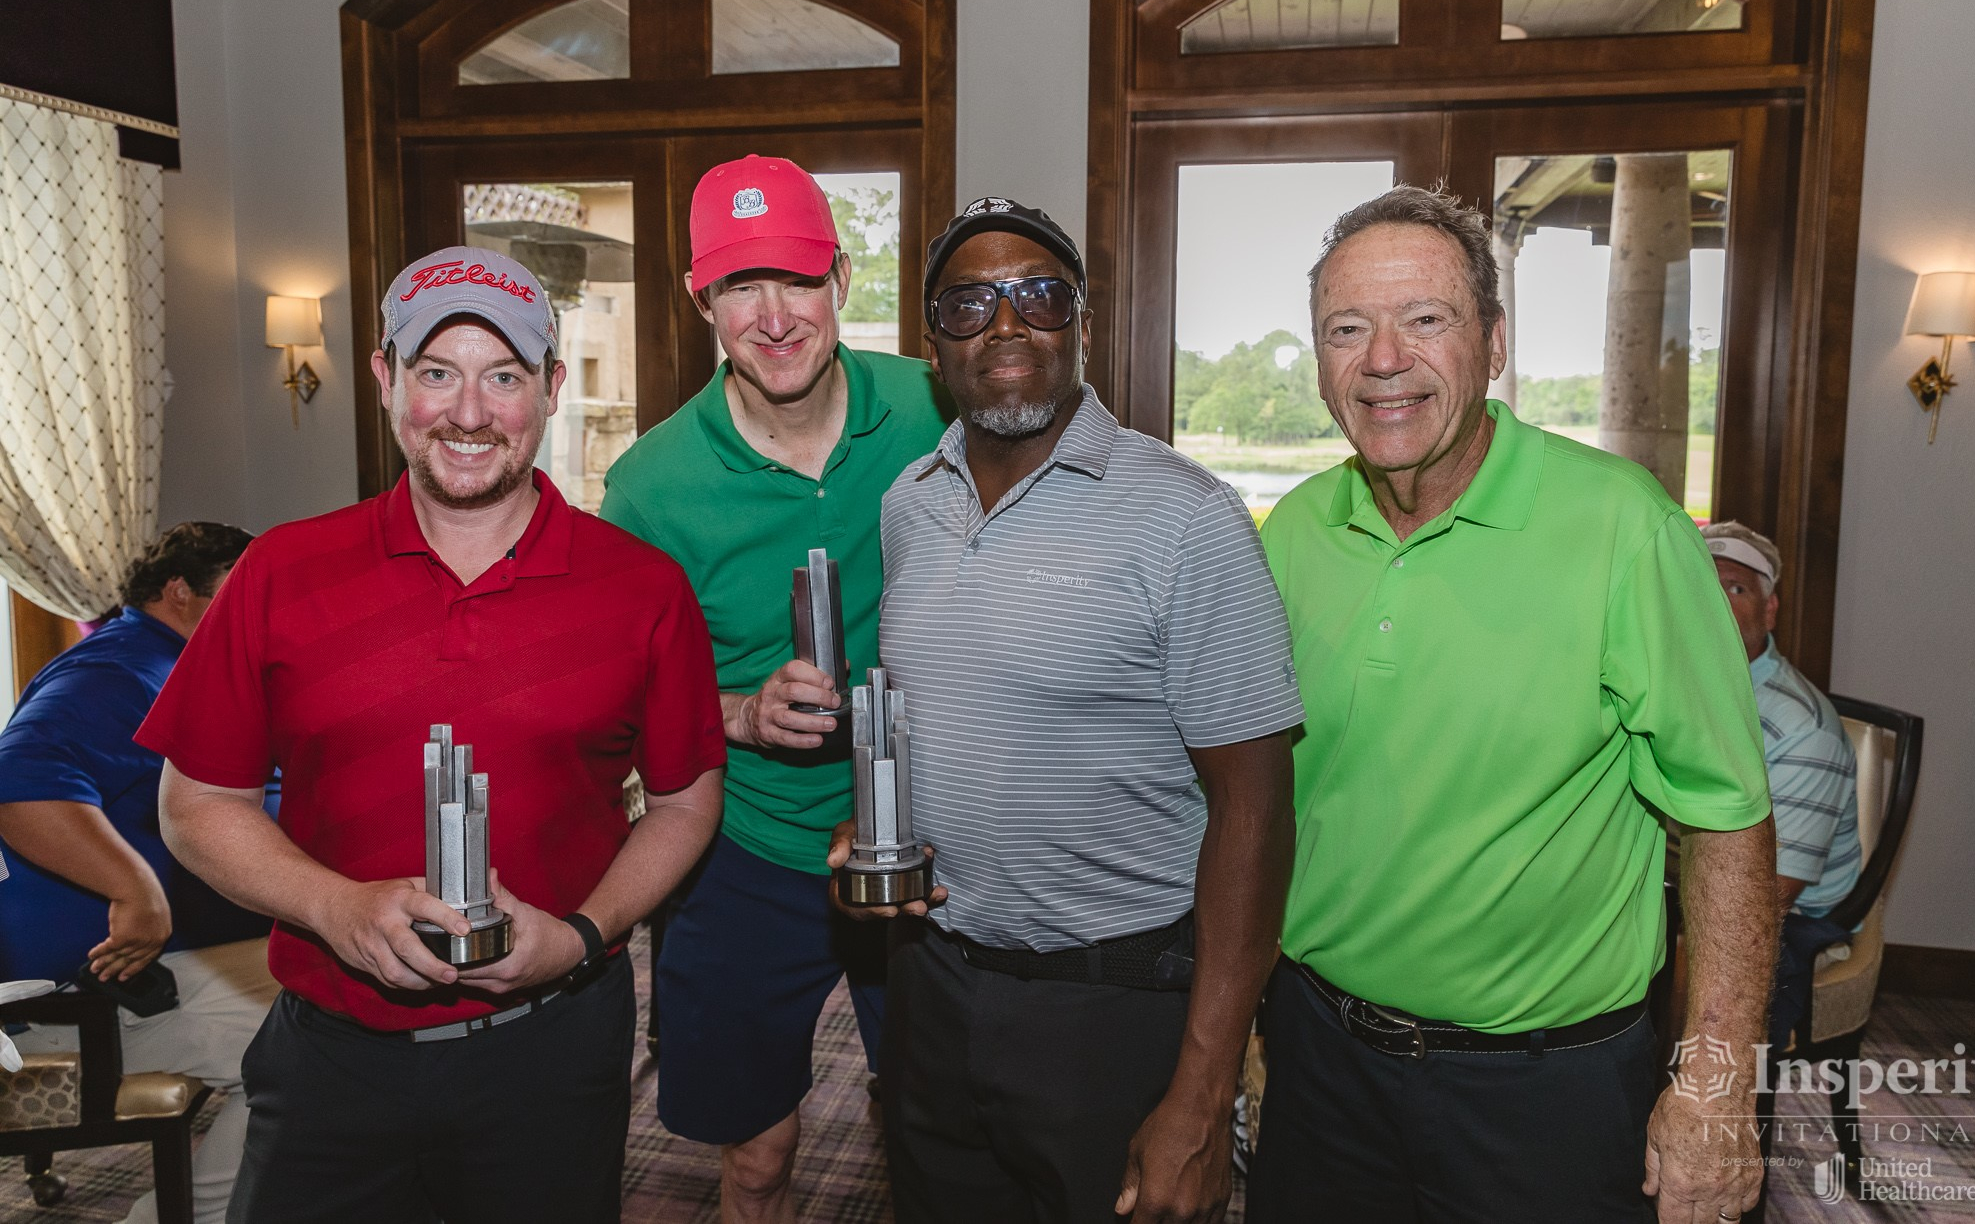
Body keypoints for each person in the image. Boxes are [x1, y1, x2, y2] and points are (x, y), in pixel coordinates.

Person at [136, 246, 727, 1224]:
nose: (467, 412)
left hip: (553, 1049)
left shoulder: (641, 587)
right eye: (436, 373)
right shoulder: (282, 572)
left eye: (502, 376)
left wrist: (579, 937)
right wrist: (334, 907)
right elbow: (196, 803)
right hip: (333, 1055)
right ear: (384, 379)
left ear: (549, 388)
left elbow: (683, 799)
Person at [1249, 185, 1779, 1224]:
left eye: (1425, 321)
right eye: (1345, 330)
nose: (1382, 359)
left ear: (1492, 345)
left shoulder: (1623, 528)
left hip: (1543, 1094)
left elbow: (1723, 817)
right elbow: (1259, 799)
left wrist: (1715, 1085)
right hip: (1319, 1065)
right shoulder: (1293, 532)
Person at [830, 197, 1302, 1224]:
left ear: (1079, 322)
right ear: (931, 343)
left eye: (1037, 296)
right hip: (933, 984)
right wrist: (869, 828)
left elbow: (1257, 813)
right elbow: (938, 716)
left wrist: (1202, 1092)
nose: (1006, 325)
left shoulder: (1187, 516)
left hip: (1112, 1008)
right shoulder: (908, 502)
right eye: (968, 303)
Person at [598, 154, 949, 1223]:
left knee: (934, 1131)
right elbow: (618, 697)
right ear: (701, 299)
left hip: (927, 836)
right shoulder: (650, 484)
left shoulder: (935, 406)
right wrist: (739, 713)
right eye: (741, 286)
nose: (775, 315)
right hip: (746, 848)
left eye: (796, 279)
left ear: (840, 278)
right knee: (755, 1153)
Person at [0, 522, 275, 1224]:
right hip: (80, 996)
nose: (261, 610)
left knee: (336, 987)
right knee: (315, 1051)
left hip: (162, 971)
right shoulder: (120, 669)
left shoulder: (174, 663)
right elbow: (17, 782)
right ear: (179, 592)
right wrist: (136, 890)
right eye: (242, 592)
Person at [1701, 519, 1860, 1051]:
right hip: (1695, 884)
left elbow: (1767, 898)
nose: (1715, 600)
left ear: (1770, 610)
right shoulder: (1672, 692)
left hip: (1785, 923)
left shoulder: (1803, 731)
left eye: (1736, 587)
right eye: (1701, 583)